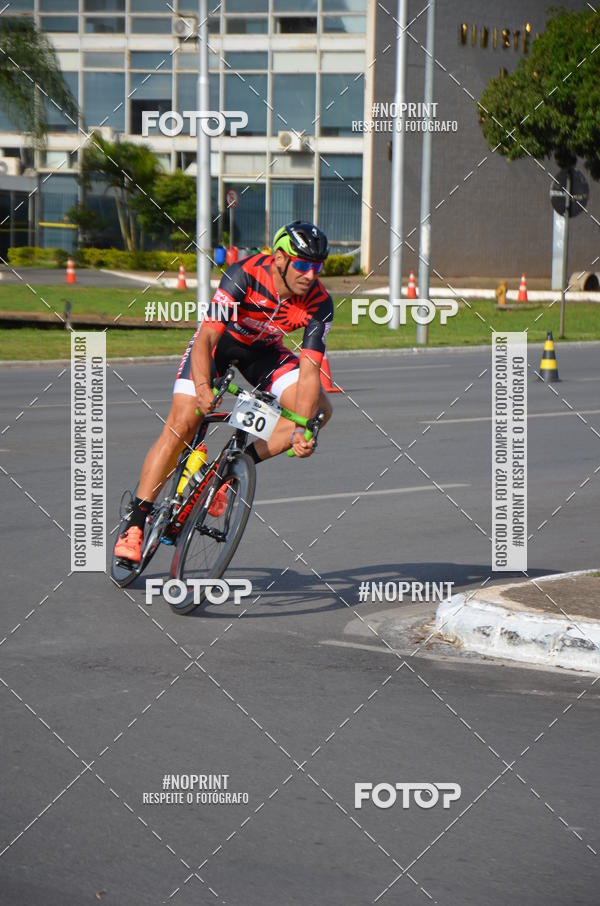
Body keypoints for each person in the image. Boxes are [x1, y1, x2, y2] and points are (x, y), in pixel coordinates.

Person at [114, 221, 334, 563]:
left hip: (264, 353)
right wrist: (203, 388)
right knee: (183, 422)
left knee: (318, 412)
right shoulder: (244, 275)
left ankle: (227, 473)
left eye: (317, 267)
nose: (310, 274)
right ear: (279, 258)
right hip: (219, 346)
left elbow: (309, 371)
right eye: (303, 264)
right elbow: (207, 337)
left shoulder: (320, 302)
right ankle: (136, 522)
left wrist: (302, 429)